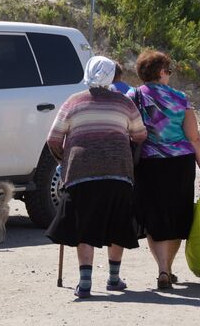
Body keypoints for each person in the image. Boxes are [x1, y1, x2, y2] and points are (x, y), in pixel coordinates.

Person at [45, 56, 147, 298]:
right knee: (117, 224)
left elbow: (53, 139)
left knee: (84, 226)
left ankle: (85, 282)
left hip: (81, 172)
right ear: (112, 76)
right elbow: (140, 134)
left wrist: (65, 160)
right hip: (118, 171)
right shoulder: (124, 103)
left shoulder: (73, 102)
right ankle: (113, 279)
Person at [127, 49, 200, 289]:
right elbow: (194, 138)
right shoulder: (180, 98)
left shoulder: (133, 96)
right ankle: (167, 269)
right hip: (179, 164)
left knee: (154, 216)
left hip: (147, 163)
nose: (170, 76)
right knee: (175, 216)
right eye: (169, 71)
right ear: (162, 71)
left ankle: (163, 268)